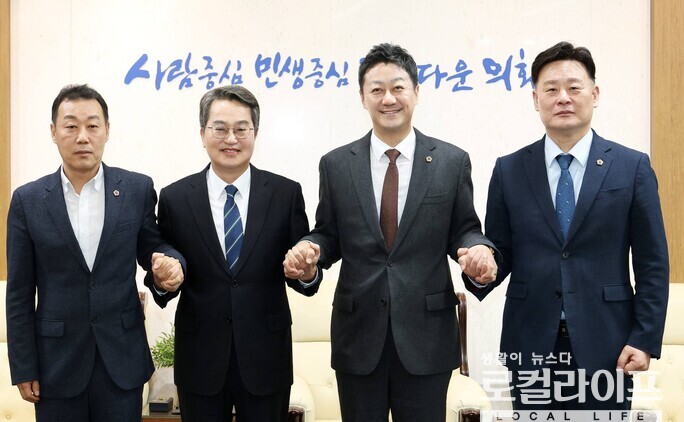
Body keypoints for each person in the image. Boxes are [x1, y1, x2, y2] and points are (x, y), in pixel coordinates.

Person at [283, 43, 497, 422]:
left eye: (398, 87)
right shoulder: (336, 164)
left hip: (427, 336)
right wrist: (310, 253)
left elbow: (464, 230)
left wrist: (478, 250)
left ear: (416, 91)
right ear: (362, 97)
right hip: (358, 335)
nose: (388, 98)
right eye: (377, 89)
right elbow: (328, 234)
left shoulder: (451, 161)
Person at [465, 41, 669, 410]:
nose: (563, 98)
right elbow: (501, 251)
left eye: (574, 87)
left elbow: (652, 263)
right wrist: (482, 270)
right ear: (535, 99)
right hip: (530, 341)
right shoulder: (509, 170)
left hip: (609, 343)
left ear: (594, 94)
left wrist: (644, 337)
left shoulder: (632, 167)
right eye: (551, 89)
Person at [6, 84, 185, 421]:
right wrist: (23, 365)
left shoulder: (136, 189)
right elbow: (18, 292)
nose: (82, 137)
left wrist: (168, 264)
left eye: (92, 125)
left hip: (121, 360)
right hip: (55, 364)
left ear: (107, 130)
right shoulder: (27, 201)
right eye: (71, 126)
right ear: (54, 132)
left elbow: (153, 248)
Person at [145, 85, 320, 422]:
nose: (231, 139)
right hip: (200, 357)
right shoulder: (175, 198)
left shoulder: (285, 194)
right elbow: (166, 264)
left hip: (266, 356)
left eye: (242, 129)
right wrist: (163, 280)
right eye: (220, 128)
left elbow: (302, 270)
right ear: (202, 133)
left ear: (255, 132)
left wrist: (307, 272)